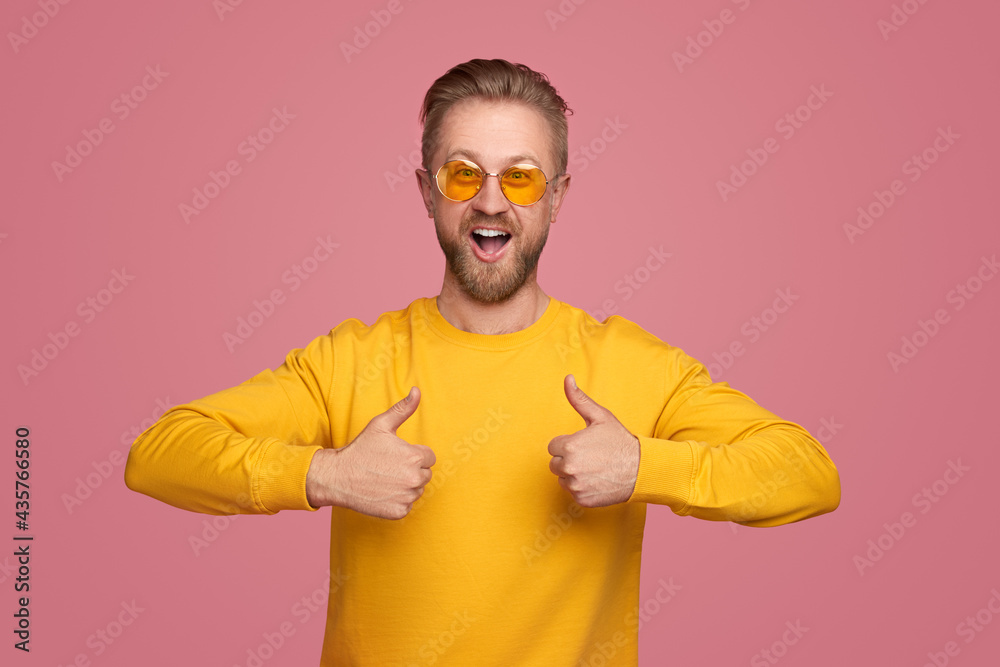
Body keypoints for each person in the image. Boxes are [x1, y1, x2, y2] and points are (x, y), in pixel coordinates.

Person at [125, 58, 840, 666]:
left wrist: (645, 467)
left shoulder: (635, 365)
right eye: (462, 174)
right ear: (426, 192)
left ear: (559, 198)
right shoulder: (351, 360)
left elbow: (808, 473)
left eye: (522, 178)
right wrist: (325, 473)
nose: (490, 201)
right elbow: (159, 454)